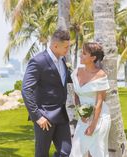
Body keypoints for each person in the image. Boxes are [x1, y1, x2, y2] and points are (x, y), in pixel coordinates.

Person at [22, 29, 72, 157]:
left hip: (61, 115)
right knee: (42, 154)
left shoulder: (62, 60)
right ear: (55, 46)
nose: (68, 50)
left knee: (66, 152)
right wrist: (37, 116)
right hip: (45, 116)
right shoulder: (38, 61)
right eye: (66, 47)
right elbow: (26, 90)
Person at [69, 42, 111, 157]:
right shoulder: (77, 71)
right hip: (83, 118)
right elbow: (76, 95)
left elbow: (99, 102)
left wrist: (93, 125)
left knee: (98, 152)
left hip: (100, 118)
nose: (80, 55)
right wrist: (80, 111)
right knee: (76, 152)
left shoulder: (101, 75)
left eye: (84, 53)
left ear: (93, 58)